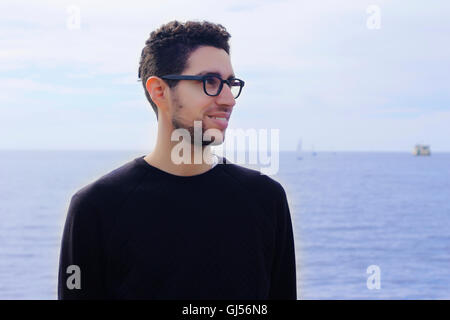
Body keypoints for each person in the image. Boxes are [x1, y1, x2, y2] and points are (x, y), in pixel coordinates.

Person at [58, 20, 297, 300]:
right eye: (210, 82)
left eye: (230, 84)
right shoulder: (96, 208)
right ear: (159, 91)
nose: (229, 99)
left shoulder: (266, 199)